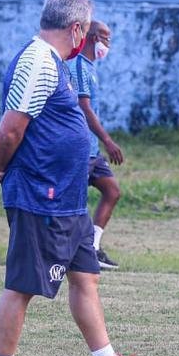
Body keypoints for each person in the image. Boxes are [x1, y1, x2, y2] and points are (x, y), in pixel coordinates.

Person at [0, 0, 162, 356]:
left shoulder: (52, 62)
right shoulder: (38, 62)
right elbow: (11, 128)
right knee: (22, 285)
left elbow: (28, 126)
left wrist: (2, 159)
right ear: (76, 29)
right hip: (44, 197)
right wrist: (0, 166)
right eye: (87, 31)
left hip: (69, 199)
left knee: (86, 277)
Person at [70, 20, 125, 270]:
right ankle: (73, 252)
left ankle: (93, 247)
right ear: (93, 37)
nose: (108, 44)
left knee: (112, 191)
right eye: (106, 38)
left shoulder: (91, 67)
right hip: (81, 149)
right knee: (74, 203)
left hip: (93, 150)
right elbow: (84, 107)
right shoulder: (79, 65)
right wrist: (108, 140)